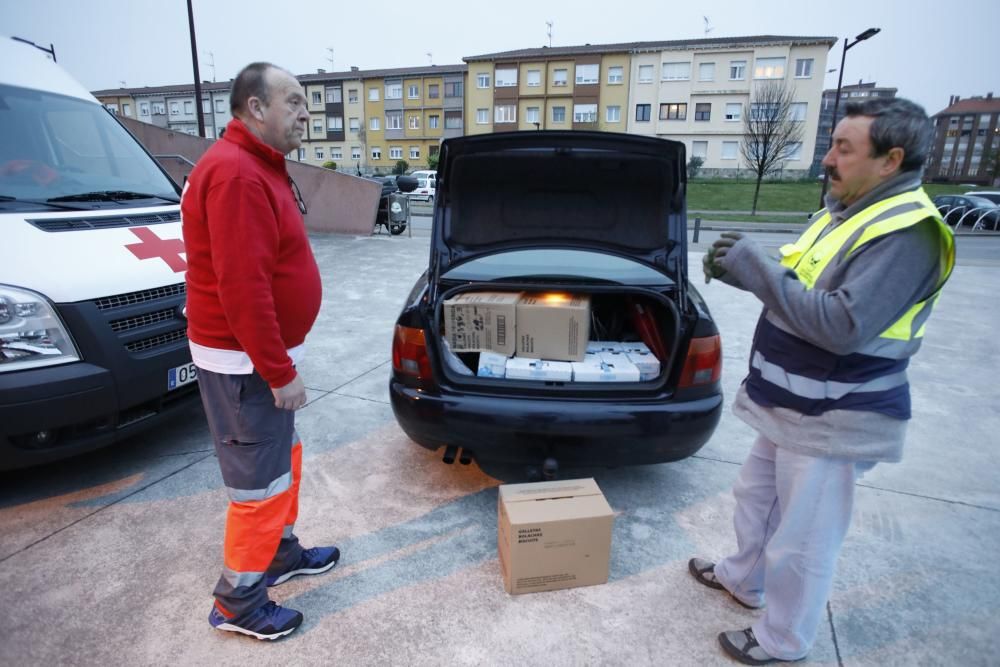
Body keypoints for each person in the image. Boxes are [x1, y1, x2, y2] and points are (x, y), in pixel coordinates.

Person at [690, 97, 954, 664]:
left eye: (843, 148)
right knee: (757, 499)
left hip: (838, 414)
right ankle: (743, 579)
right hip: (791, 403)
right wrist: (743, 273)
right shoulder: (846, 213)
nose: (827, 159)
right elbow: (798, 292)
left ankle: (784, 640)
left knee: (804, 538)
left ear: (891, 160)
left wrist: (756, 267)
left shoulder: (906, 233)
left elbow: (841, 326)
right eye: (832, 145)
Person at [182, 62, 339, 641]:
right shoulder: (237, 175)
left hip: (258, 362)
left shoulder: (255, 166)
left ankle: (279, 552)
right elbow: (242, 287)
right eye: (294, 102)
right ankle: (238, 603)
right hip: (247, 367)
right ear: (255, 107)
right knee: (258, 486)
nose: (306, 113)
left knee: (279, 466)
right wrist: (279, 371)